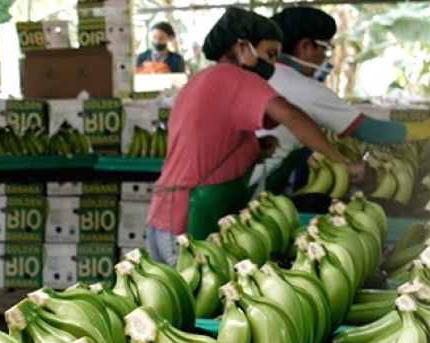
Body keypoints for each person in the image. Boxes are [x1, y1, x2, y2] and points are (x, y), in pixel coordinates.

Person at [144, 7, 365, 267]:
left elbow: (205, 145)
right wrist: (340, 161)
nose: (272, 65)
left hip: (163, 217)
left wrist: (255, 147)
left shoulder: (203, 80)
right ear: (242, 48)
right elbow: (291, 115)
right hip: (187, 221)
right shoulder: (237, 77)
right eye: (270, 54)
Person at [249, 6, 430, 194]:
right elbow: (369, 130)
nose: (326, 59)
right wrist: (426, 129)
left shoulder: (261, 76)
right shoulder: (304, 88)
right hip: (256, 190)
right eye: (325, 50)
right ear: (306, 47)